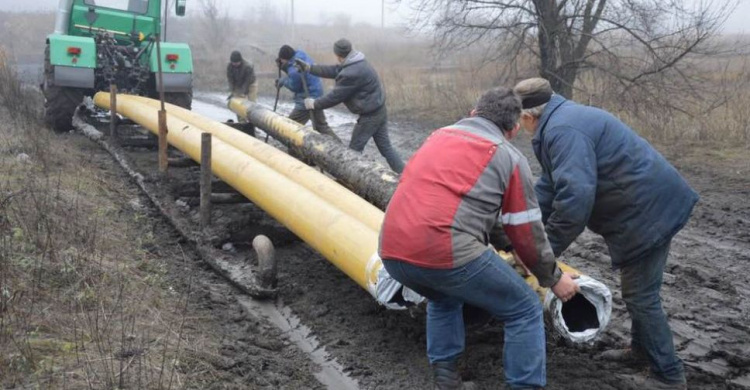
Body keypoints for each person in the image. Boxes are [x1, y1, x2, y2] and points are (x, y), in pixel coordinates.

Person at [378, 87, 580, 389]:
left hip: (391, 250)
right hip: (444, 250)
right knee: (523, 307)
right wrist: (553, 278)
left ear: (473, 114)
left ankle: (446, 378)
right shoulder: (508, 157)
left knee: (443, 296)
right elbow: (526, 231)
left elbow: (484, 217)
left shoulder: (438, 136)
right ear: (513, 129)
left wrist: (509, 247)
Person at [513, 78, 699, 390]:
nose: (521, 125)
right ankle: (641, 353)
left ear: (529, 116)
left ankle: (668, 374)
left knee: (641, 295)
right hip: (643, 205)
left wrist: (544, 252)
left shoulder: (562, 131)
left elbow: (575, 203)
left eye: (521, 120)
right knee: (639, 292)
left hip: (647, 211)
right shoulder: (563, 121)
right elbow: (550, 185)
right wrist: (522, 222)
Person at [294, 38, 405, 173]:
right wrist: (309, 68)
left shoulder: (351, 73)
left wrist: (314, 104)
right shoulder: (356, 62)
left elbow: (335, 96)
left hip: (370, 116)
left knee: (353, 151)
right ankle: (405, 175)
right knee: (386, 148)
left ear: (338, 55)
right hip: (379, 110)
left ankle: (350, 181)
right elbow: (335, 71)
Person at [275, 45, 341, 142]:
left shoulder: (294, 70)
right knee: (321, 126)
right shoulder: (301, 55)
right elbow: (296, 73)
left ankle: (293, 149)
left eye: (282, 60)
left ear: (285, 59)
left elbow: (295, 86)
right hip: (316, 92)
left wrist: (283, 81)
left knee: (291, 125)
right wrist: (285, 66)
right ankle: (340, 147)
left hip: (307, 98)